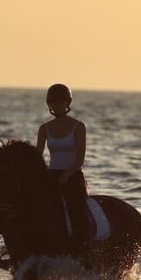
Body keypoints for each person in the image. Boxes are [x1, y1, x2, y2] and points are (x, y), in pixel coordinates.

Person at [35, 83, 91, 252]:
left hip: (73, 175)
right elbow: (38, 157)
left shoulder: (78, 126)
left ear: (68, 103)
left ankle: (84, 247)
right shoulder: (44, 128)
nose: (57, 105)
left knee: (78, 211)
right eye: (53, 102)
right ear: (49, 104)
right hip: (51, 175)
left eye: (61, 101)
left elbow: (79, 160)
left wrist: (66, 176)